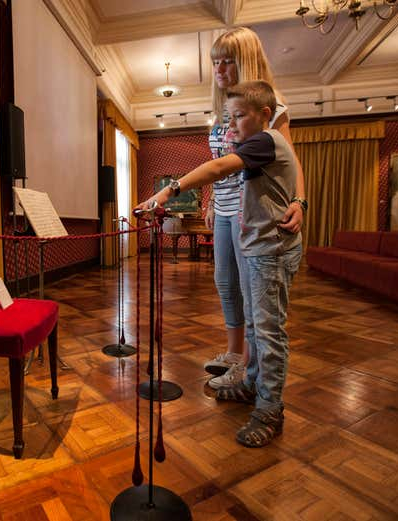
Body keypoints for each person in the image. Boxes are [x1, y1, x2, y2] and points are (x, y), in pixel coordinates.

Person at [137, 80, 302, 448]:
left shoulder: (266, 140)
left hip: (271, 251)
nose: (232, 126)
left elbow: (218, 167)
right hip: (261, 247)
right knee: (258, 329)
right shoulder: (257, 144)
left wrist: (168, 190)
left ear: (264, 115)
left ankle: (269, 409)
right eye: (229, 118)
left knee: (268, 332)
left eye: (239, 117)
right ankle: (251, 385)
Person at [202, 27, 307, 390]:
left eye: (227, 61)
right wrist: (212, 200)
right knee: (225, 282)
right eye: (214, 62)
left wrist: (299, 200)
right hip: (226, 208)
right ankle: (234, 353)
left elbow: (290, 158)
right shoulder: (222, 109)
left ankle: (248, 367)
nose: (218, 68)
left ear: (245, 61)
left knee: (251, 289)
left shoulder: (267, 104)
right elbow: (218, 162)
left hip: (253, 211)